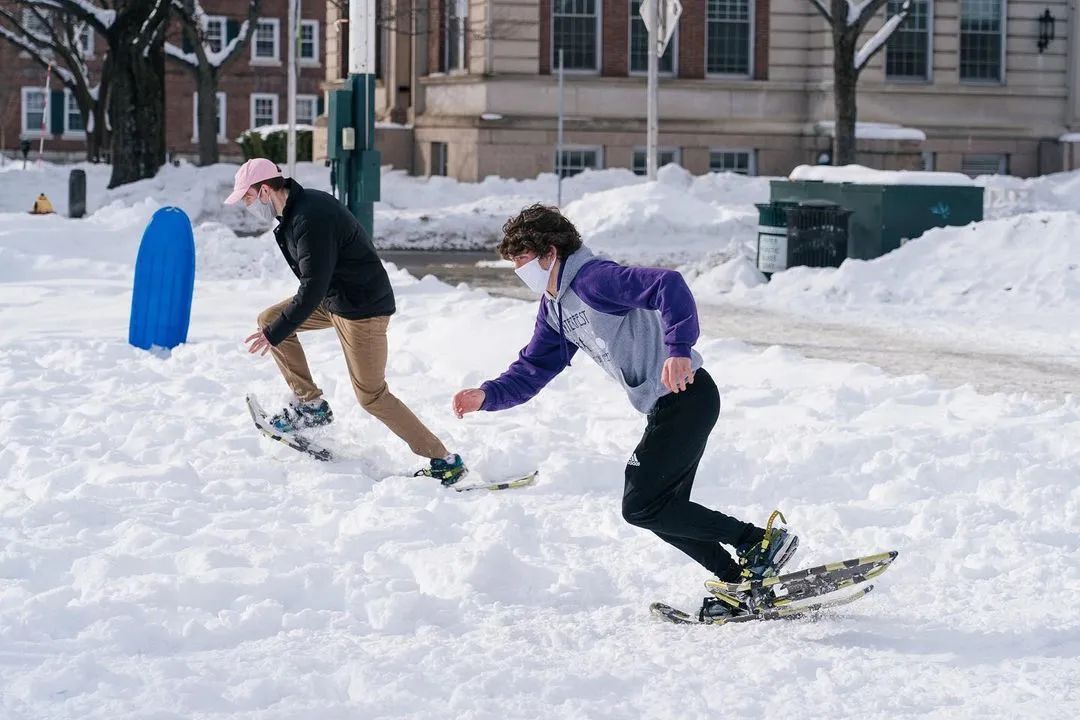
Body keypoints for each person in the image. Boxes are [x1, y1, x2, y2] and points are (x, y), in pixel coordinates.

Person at [452, 204, 798, 617]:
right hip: (666, 406)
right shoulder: (555, 308)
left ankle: (758, 542)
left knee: (641, 505)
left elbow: (668, 284)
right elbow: (534, 367)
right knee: (659, 510)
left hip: (687, 396)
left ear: (550, 252)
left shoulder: (596, 279)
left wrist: (679, 350)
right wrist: (487, 395)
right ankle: (741, 580)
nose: (517, 271)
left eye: (522, 260)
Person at [225, 158, 466, 484]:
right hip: (336, 300)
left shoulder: (310, 216)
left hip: (362, 310)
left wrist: (276, 333)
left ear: (265, 189)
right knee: (269, 319)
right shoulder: (293, 213)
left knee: (373, 396)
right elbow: (315, 287)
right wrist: (276, 328)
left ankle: (444, 460)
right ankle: (310, 405)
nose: (247, 205)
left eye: (249, 198)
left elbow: (313, 285)